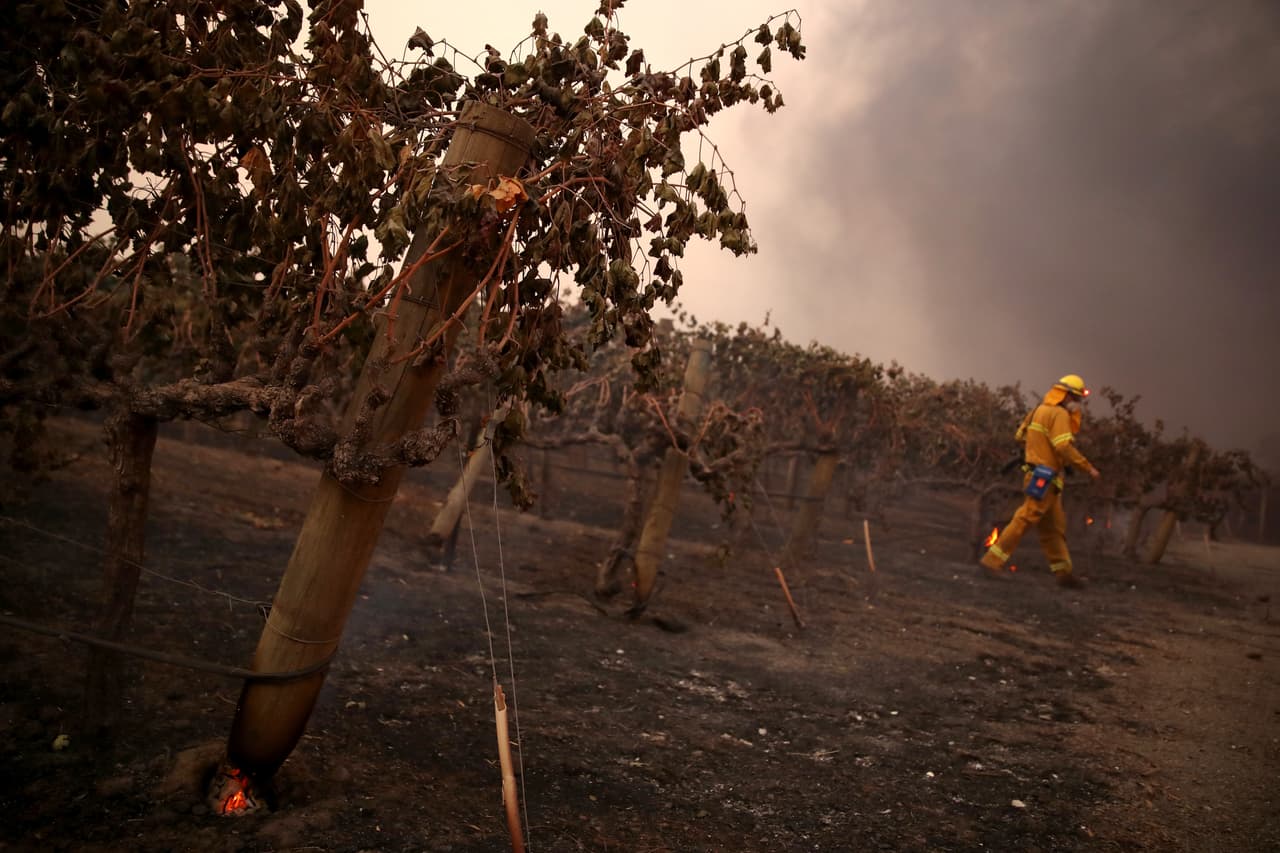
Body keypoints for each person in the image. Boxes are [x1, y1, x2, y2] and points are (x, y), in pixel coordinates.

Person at [980, 374, 1100, 587]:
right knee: (1024, 518)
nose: (1078, 403)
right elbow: (1063, 446)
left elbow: (1020, 436)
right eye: (1076, 398)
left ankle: (1064, 574)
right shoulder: (1059, 415)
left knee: (1053, 528)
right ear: (1065, 395)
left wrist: (1037, 450)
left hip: (1038, 476)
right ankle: (992, 562)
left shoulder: (1037, 411)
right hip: (1046, 478)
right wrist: (1087, 467)